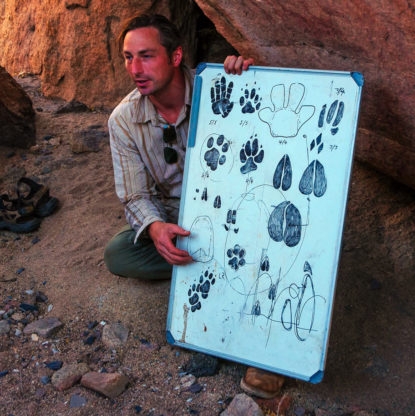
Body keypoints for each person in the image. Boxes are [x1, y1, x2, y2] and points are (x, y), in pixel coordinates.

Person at [104, 13, 283, 399]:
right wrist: (155, 229)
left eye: (147, 56)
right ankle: (214, 266)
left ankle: (269, 349)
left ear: (175, 55)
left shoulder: (225, 86)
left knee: (273, 246)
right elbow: (135, 196)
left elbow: (276, 129)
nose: (135, 69)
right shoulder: (123, 120)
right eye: (127, 57)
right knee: (119, 253)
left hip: (240, 216)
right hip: (181, 222)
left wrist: (252, 77)